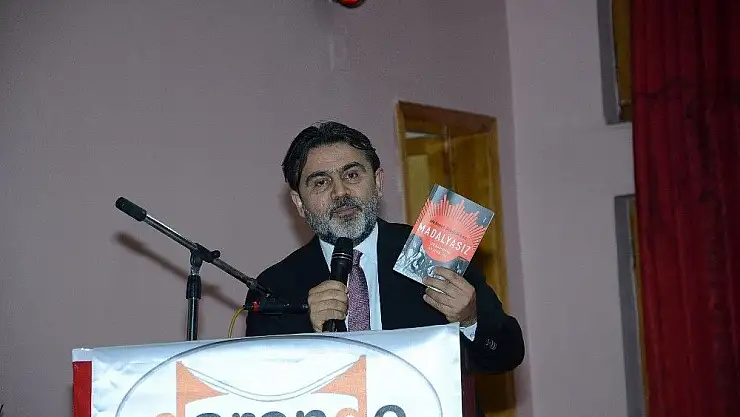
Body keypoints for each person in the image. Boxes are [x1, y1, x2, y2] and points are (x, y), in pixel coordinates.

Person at [245, 121, 525, 416]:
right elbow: (263, 394)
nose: (340, 192)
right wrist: (310, 335)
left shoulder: (433, 252)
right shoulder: (274, 287)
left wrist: (470, 320)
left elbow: (507, 355)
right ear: (299, 203)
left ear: (378, 182)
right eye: (321, 182)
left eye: (352, 175)